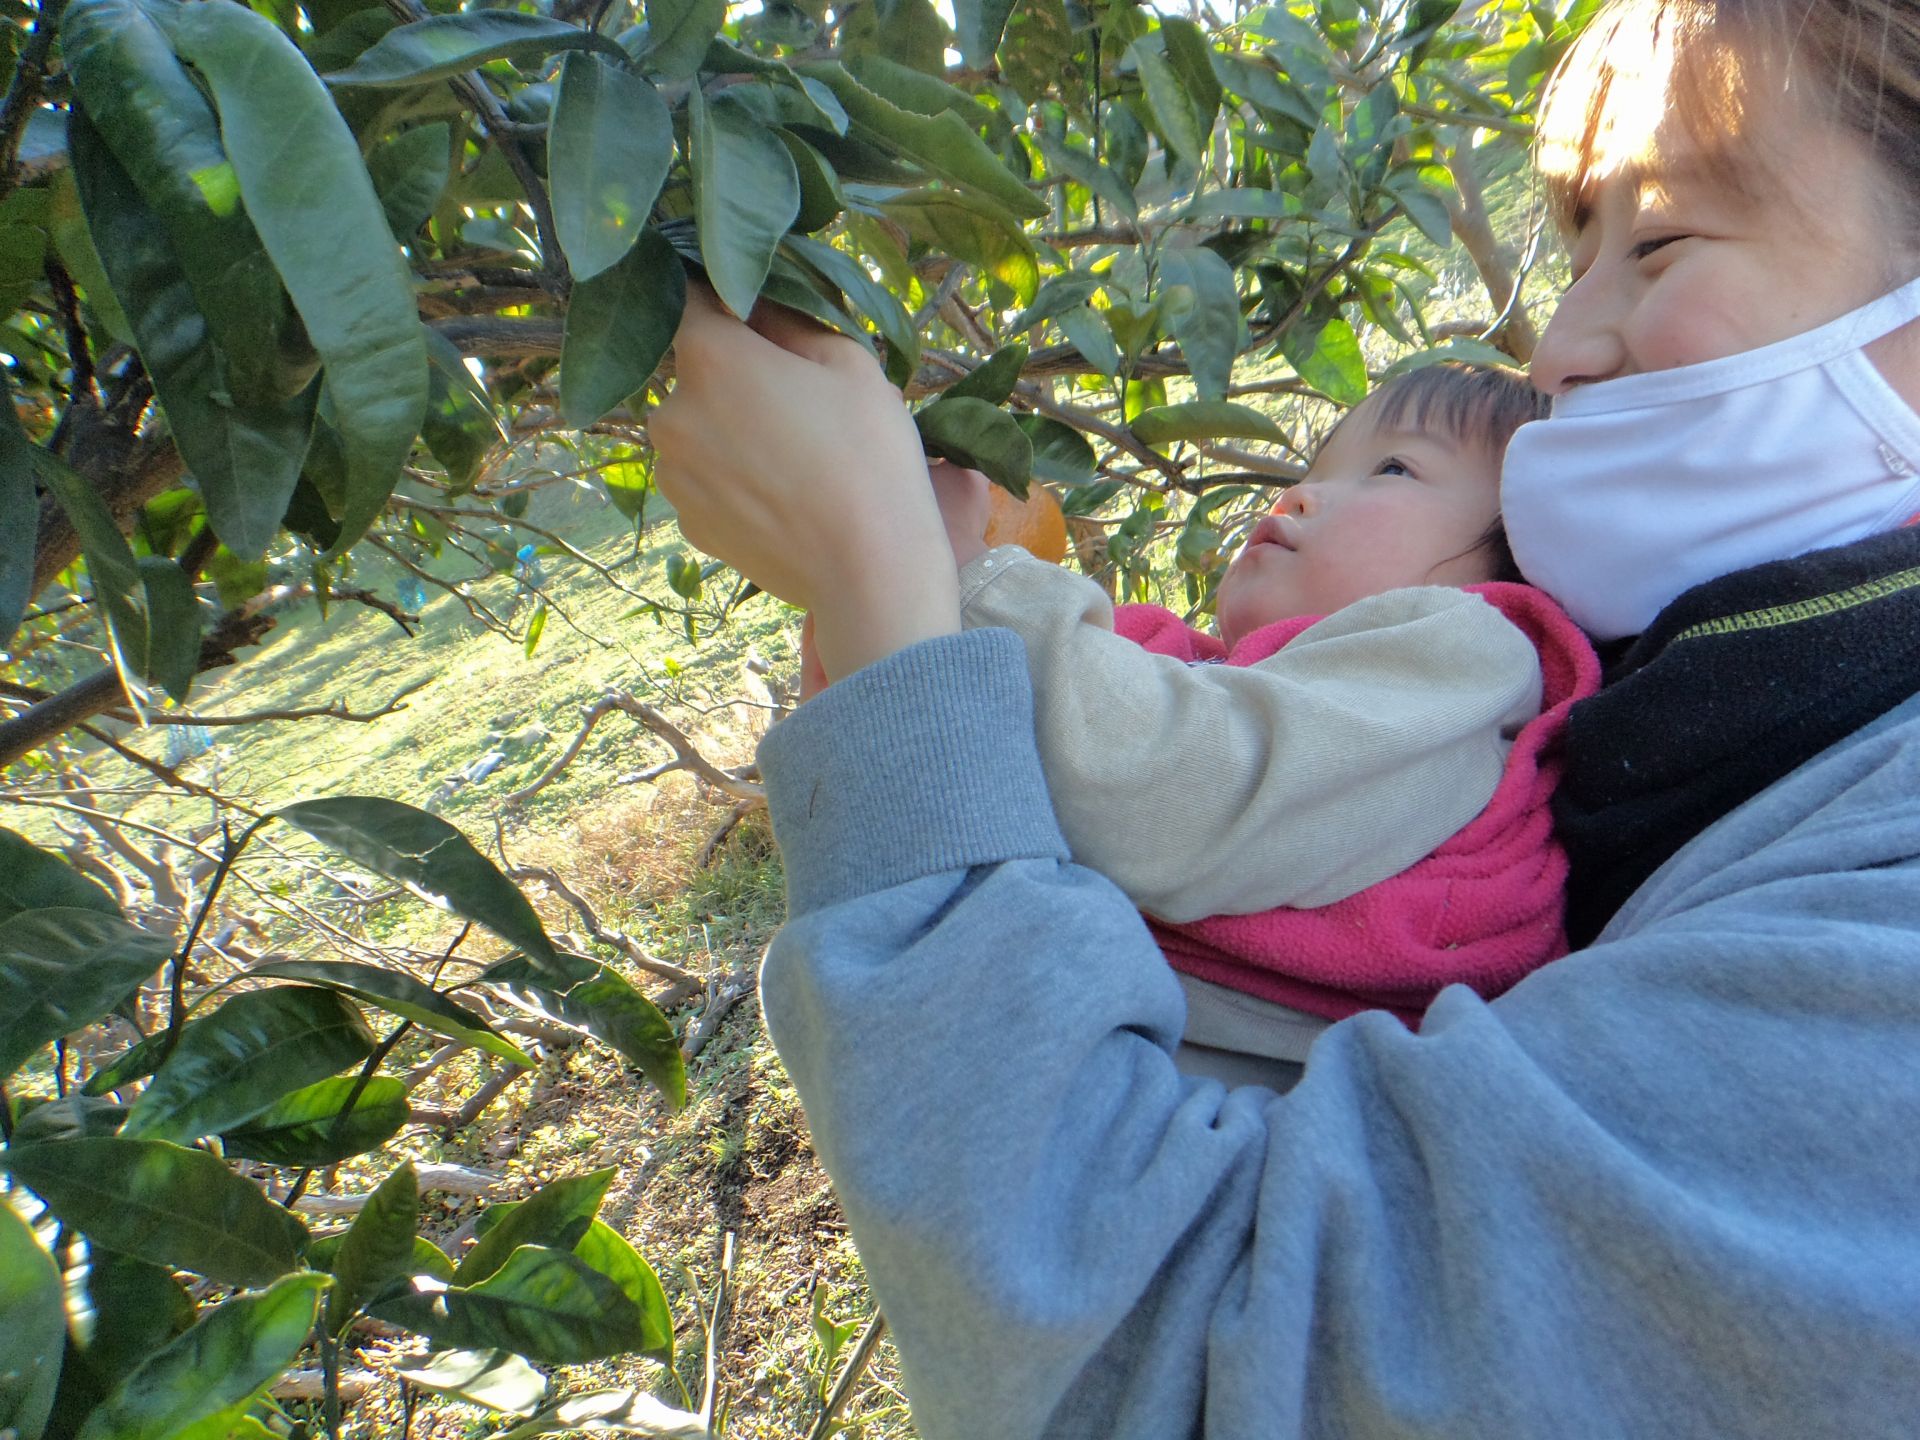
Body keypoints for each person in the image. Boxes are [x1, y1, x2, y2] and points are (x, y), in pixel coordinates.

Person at [649, 0, 1920, 1433]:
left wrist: (899, 597)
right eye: (1574, 250)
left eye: (1667, 242)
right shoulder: (1717, 725)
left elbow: (1182, 1366)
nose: (1557, 349)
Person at [905, 370, 1597, 1088]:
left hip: (1253, 1129)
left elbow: (1168, 792)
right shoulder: (1213, 675)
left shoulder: (1467, 652)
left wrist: (976, 574)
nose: (1296, 493)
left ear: (1521, 546)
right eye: (1311, 469)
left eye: (1393, 467)